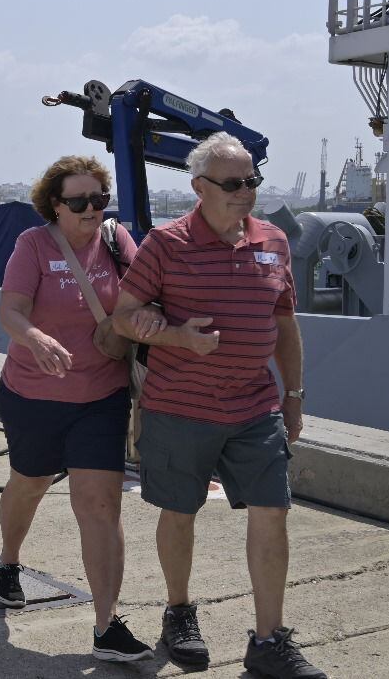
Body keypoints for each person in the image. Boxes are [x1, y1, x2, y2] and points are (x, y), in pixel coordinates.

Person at [110, 133, 325, 679]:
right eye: (234, 184)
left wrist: (293, 396)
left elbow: (284, 324)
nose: (247, 192)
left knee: (272, 512)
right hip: (179, 407)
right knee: (179, 512)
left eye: (252, 180)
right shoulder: (166, 243)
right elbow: (124, 315)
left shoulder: (274, 240)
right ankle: (178, 612)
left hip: (255, 407)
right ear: (199, 187)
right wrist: (179, 337)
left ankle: (269, 640)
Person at [0, 156, 161, 662]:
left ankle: (107, 624)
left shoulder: (116, 242)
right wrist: (35, 337)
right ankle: (8, 560)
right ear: (54, 204)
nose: (91, 209)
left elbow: (143, 298)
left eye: (98, 199)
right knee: (30, 483)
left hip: (101, 397)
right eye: (79, 201)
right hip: (32, 395)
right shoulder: (33, 246)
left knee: (100, 506)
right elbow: (10, 310)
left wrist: (150, 315)